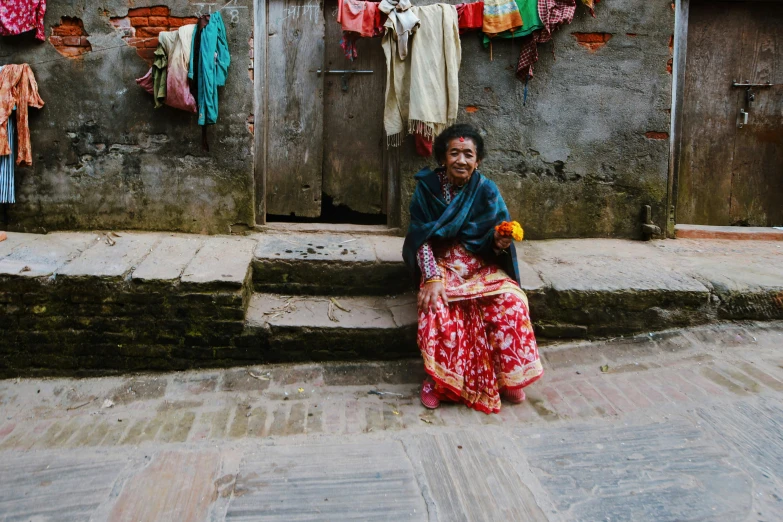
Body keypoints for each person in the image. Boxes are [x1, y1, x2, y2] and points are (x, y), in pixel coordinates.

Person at [402, 123, 543, 414]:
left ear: (477, 160)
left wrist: (500, 242)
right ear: (443, 157)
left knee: (512, 301)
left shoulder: (487, 190)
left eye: (468, 154)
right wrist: (431, 278)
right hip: (441, 264)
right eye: (454, 153)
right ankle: (438, 382)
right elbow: (419, 237)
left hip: (479, 266)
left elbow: (491, 244)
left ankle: (507, 376)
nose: (461, 160)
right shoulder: (427, 190)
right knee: (436, 306)